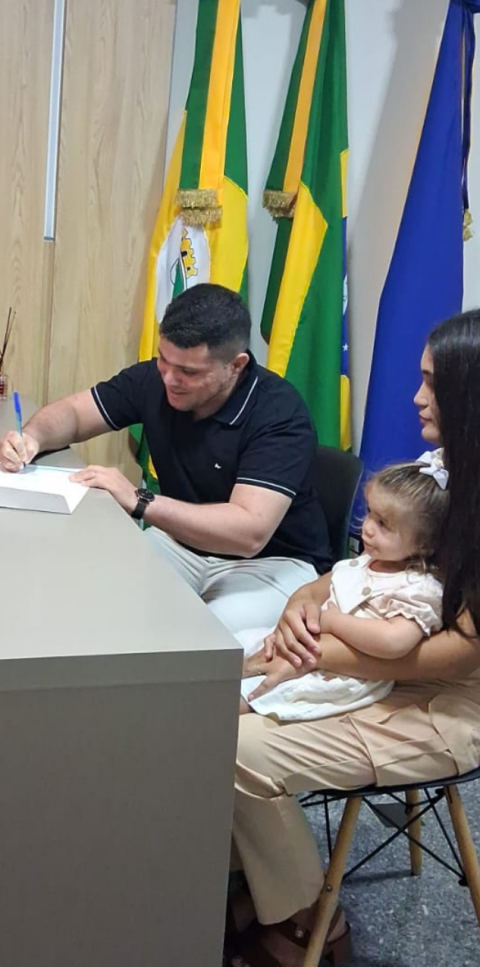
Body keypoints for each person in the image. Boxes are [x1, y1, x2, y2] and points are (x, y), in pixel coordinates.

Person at [228, 309, 480, 967]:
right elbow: (363, 568)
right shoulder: (437, 472)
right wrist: (302, 604)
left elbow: (459, 655)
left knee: (234, 747)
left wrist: (316, 649)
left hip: (437, 703)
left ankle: (313, 920)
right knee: (208, 711)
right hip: (372, 661)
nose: (416, 397)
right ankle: (248, 882)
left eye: (434, 384)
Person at [0, 284, 332, 641]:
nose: (170, 379)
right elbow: (76, 414)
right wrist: (32, 437)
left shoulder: (279, 413)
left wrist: (140, 501)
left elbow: (248, 533)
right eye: (163, 360)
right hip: (181, 544)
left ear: (236, 365)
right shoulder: (155, 379)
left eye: (189, 371)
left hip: (272, 562)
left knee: (199, 639)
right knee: (91, 599)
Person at [240, 459, 448, 720]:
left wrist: (332, 622)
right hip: (310, 643)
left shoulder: (418, 588)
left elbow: (393, 641)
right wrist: (300, 619)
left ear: (424, 544)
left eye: (384, 524)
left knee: (248, 693)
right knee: (233, 646)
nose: (367, 528)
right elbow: (316, 592)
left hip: (341, 672)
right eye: (370, 512)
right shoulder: (365, 562)